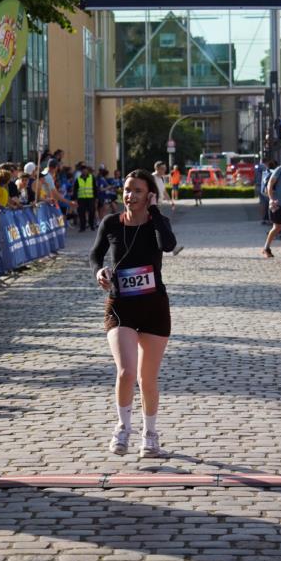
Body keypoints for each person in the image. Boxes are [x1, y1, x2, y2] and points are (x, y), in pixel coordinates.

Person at [90, 169, 177, 460]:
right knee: (126, 371)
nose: (130, 195)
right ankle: (123, 427)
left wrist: (154, 210)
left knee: (147, 378)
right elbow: (95, 254)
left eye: (138, 190)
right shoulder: (111, 223)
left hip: (154, 307)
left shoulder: (157, 223)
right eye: (127, 189)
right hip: (120, 305)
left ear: (149, 194)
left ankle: (150, 435)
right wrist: (99, 271)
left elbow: (169, 245)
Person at [73, 164, 97, 231]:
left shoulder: (92, 178)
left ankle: (92, 225)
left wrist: (96, 198)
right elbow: (75, 189)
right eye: (83, 171)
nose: (84, 172)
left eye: (86, 170)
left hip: (90, 198)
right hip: (81, 199)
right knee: (81, 213)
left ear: (87, 171)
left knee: (92, 212)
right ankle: (82, 227)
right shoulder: (78, 179)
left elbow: (95, 188)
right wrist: (75, 199)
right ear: (81, 171)